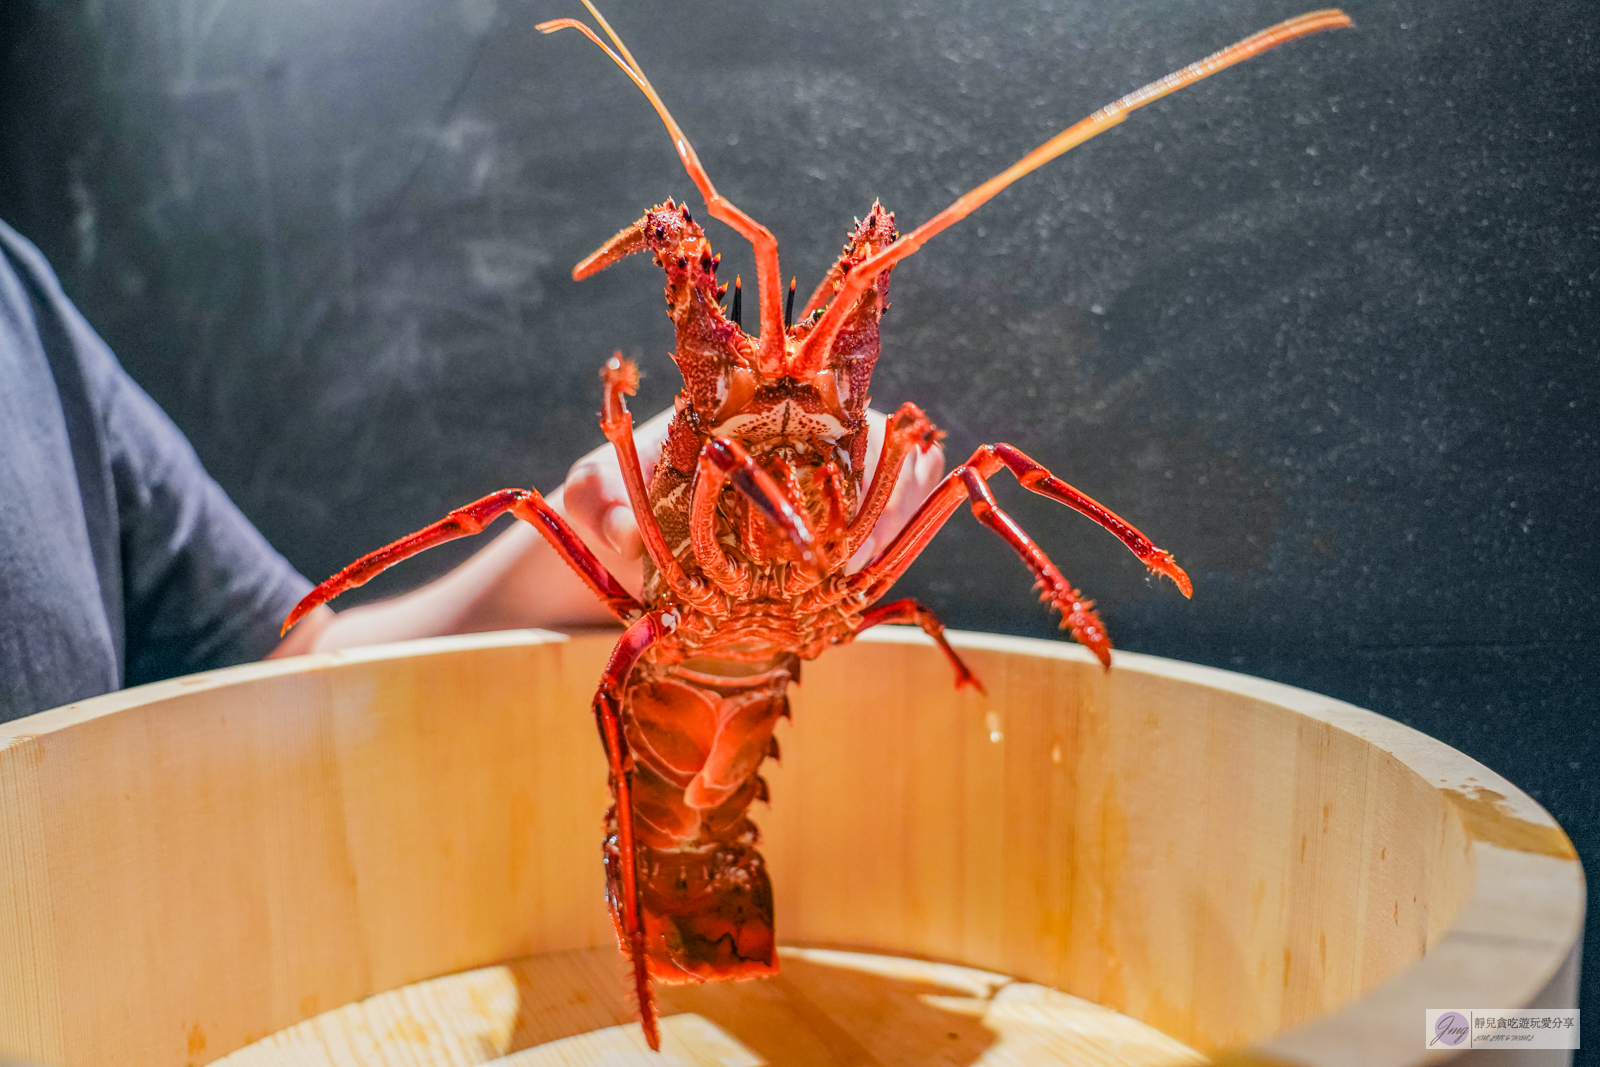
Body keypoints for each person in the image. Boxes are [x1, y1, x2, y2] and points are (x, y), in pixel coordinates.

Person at [0, 221, 943, 723]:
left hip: (753, 679)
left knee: (976, 470)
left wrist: (590, 539)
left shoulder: (24, 312)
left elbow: (289, 676)